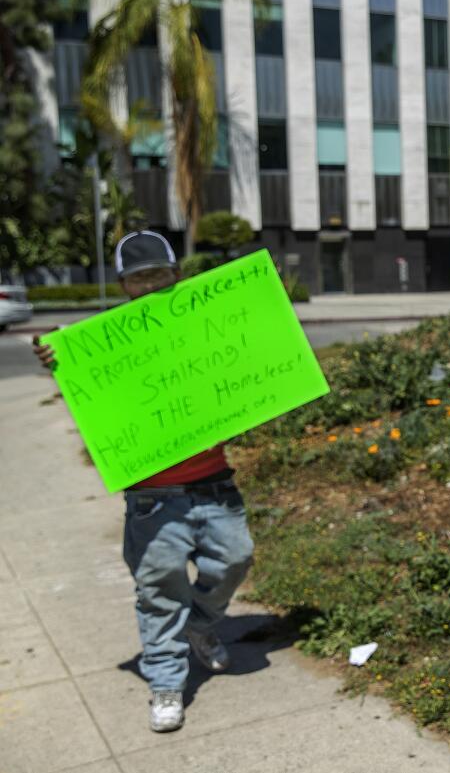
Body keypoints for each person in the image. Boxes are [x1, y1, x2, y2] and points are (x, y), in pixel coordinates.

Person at [33, 231, 255, 734]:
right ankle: (166, 685)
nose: (151, 283)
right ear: (123, 285)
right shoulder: (109, 339)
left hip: (215, 484)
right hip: (152, 498)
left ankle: (200, 627)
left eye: (159, 273)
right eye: (139, 277)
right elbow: (94, 391)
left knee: (236, 559)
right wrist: (60, 362)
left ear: (176, 274)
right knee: (159, 592)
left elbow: (242, 364)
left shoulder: (203, 323)